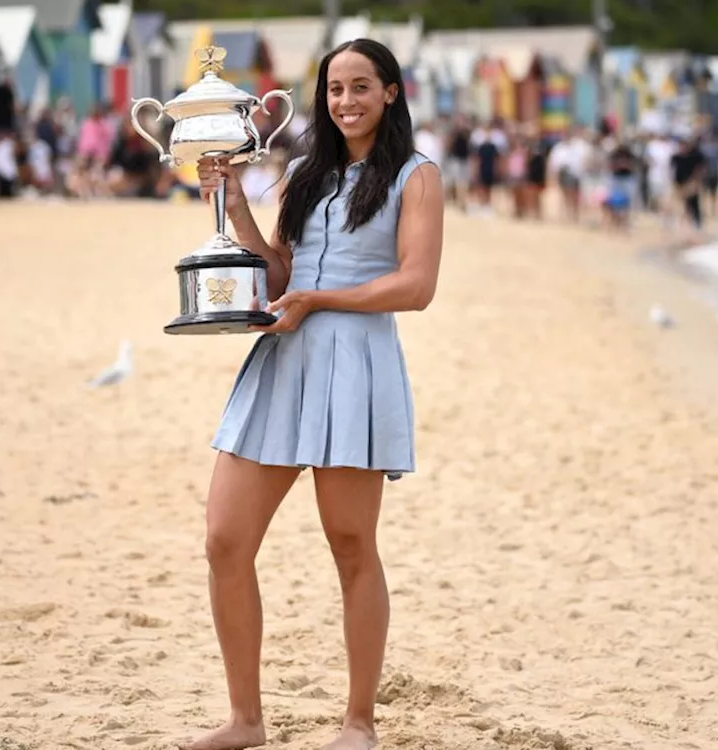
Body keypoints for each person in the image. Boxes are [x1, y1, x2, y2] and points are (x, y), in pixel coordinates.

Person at [186, 37, 444, 750]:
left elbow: (417, 286)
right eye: (335, 89)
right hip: (284, 355)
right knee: (224, 540)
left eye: (361, 87)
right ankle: (246, 719)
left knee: (352, 543)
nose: (346, 101)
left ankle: (359, 722)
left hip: (357, 360)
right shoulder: (304, 172)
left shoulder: (417, 176)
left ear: (390, 92)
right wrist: (235, 205)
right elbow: (275, 276)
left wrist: (319, 298)